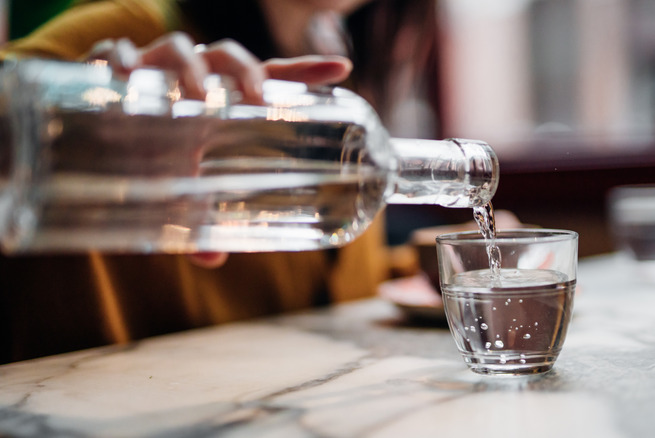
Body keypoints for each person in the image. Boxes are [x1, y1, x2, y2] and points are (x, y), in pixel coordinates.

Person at [0, 0, 439, 363]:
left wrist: (430, 264)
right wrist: (55, 130)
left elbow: (313, 285)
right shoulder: (136, 44)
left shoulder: (341, 83)